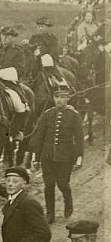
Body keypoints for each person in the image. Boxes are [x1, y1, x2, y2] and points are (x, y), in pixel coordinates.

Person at [30, 85, 83, 223]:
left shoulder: (74, 116)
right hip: (47, 157)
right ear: (53, 98)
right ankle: (50, 214)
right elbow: (39, 137)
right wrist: (36, 158)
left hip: (66, 157)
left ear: (68, 99)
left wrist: (79, 159)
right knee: (48, 185)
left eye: (63, 97)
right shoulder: (47, 115)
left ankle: (68, 202)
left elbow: (79, 139)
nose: (60, 100)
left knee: (62, 183)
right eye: (57, 97)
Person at [0, 26, 29, 140]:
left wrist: (2, 73)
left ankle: (16, 130)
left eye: (9, 36)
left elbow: (20, 70)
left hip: (8, 82)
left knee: (19, 103)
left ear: (13, 38)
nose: (5, 38)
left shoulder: (18, 51)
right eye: (3, 35)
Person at [27, 17, 64, 81]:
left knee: (56, 76)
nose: (40, 29)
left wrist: (44, 57)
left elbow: (54, 51)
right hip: (35, 62)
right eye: (39, 27)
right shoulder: (34, 38)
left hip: (48, 62)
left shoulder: (52, 38)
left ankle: (60, 85)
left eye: (42, 27)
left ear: (47, 28)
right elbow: (29, 50)